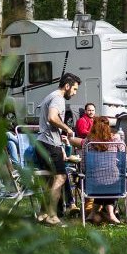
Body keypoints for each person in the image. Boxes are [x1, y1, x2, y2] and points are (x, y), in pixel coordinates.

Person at [37, 72, 82, 226]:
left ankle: (43, 214)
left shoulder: (51, 95)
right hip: (50, 144)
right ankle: (52, 215)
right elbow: (52, 117)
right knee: (61, 177)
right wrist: (67, 128)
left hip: (43, 142)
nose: (75, 93)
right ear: (67, 86)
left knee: (50, 179)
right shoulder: (58, 98)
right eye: (74, 89)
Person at [82, 116, 123, 225]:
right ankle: (111, 214)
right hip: (115, 183)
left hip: (94, 183)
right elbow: (123, 157)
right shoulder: (116, 139)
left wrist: (84, 173)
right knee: (109, 177)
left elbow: (83, 164)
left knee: (100, 179)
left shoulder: (87, 142)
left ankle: (93, 213)